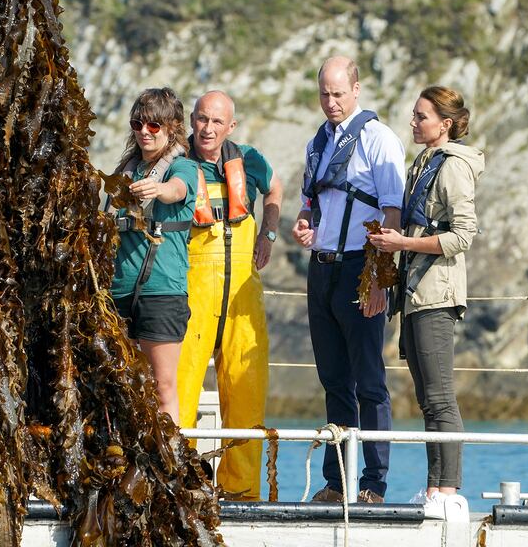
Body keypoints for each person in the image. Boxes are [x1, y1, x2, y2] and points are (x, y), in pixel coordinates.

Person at [291, 56, 405, 504]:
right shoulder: (317, 142)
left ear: (357, 89)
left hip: (363, 265)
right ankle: (337, 481)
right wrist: (304, 223)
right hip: (321, 268)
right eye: (325, 94)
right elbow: (310, 204)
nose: (331, 102)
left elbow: (392, 214)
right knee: (333, 378)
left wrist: (380, 280)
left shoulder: (379, 140)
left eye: (339, 93)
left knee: (369, 379)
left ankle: (374, 483)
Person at [370, 86, 484, 514]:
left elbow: (463, 235)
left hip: (437, 293)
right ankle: (434, 487)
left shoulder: (452, 167)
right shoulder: (423, 163)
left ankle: (449, 490)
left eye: (422, 117)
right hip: (416, 291)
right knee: (426, 398)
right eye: (414, 116)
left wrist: (403, 242)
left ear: (445, 123)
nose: (414, 123)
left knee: (440, 396)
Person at [177, 90, 283, 501]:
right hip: (192, 291)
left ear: (231, 126)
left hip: (242, 292)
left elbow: (275, 189)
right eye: (202, 119)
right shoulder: (177, 163)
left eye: (217, 122)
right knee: (180, 390)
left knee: (246, 390)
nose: (208, 128)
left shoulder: (249, 159)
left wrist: (269, 234)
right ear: (191, 120)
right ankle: (181, 483)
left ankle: (241, 490)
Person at [109, 87, 197, 423]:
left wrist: (159, 189)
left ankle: (169, 466)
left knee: (162, 386)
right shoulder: (126, 170)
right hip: (119, 292)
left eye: (154, 126)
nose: (144, 132)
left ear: (173, 127)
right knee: (123, 385)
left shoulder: (183, 167)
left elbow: (179, 191)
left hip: (162, 292)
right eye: (138, 124)